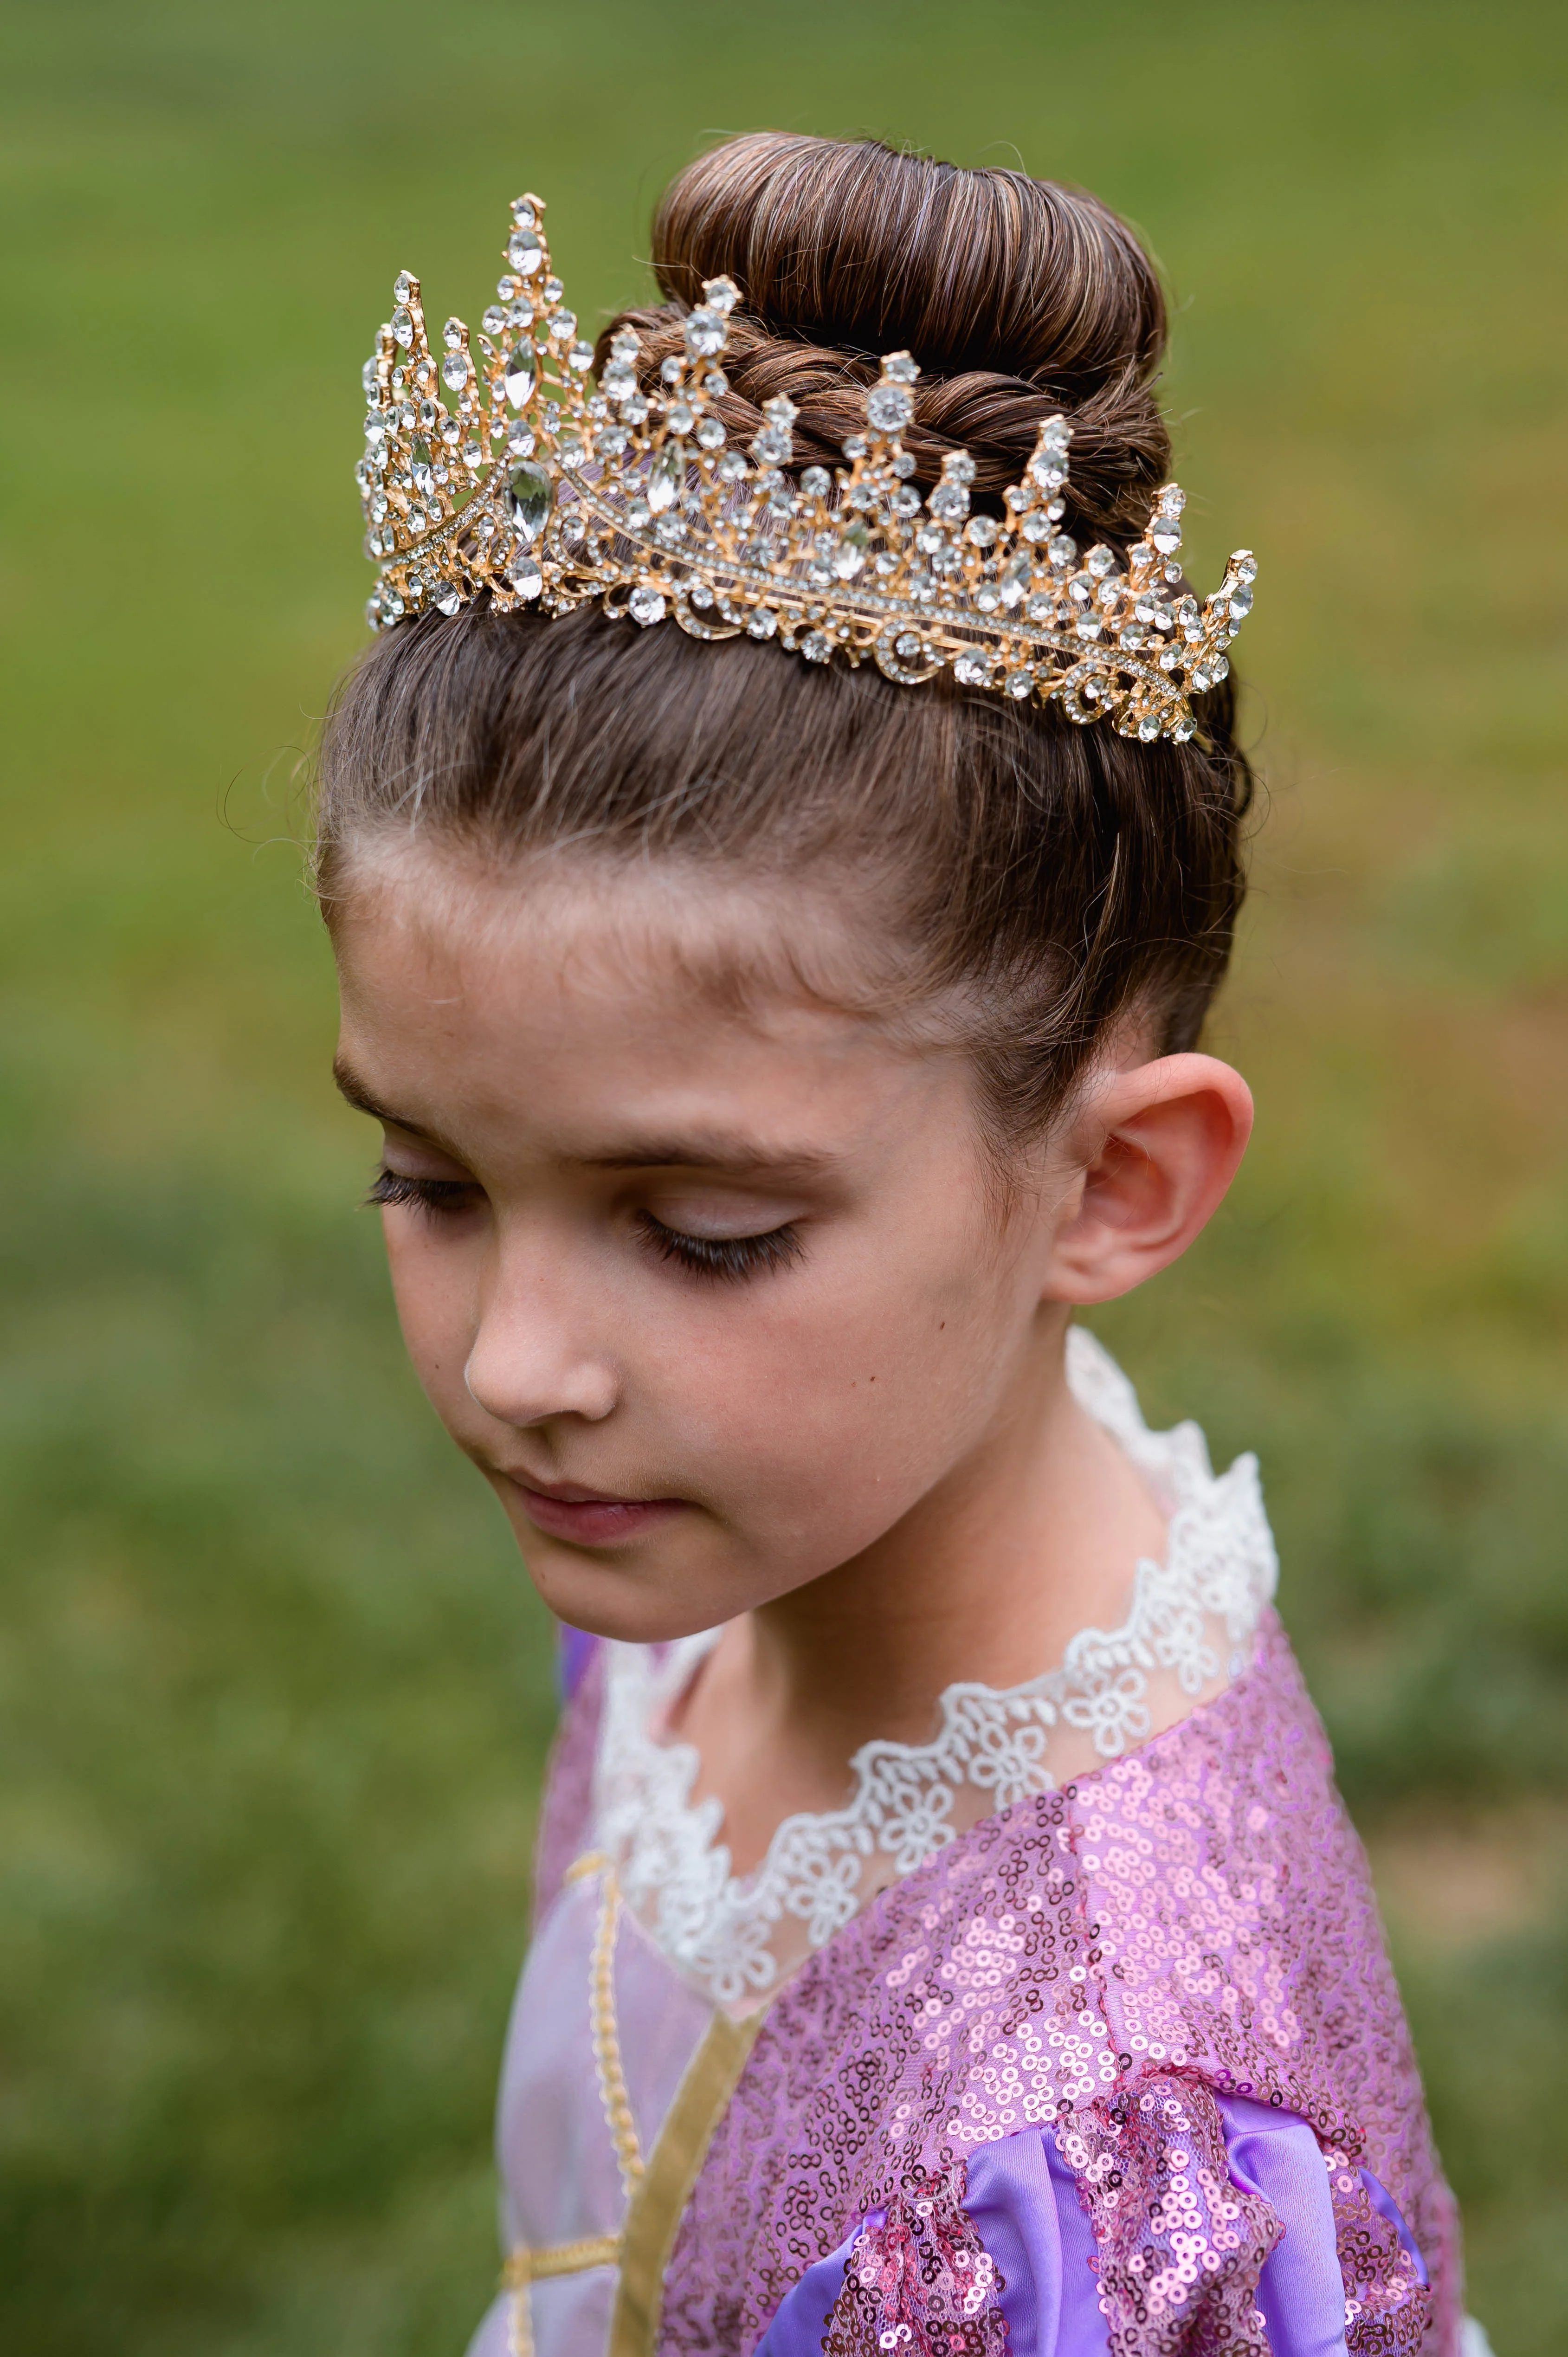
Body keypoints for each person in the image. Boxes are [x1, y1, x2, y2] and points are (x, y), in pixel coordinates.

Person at [318, 133, 1484, 2357]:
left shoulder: (1098, 2158)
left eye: (710, 1232)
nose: (515, 1364)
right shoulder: (740, 1521)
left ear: (1112, 1189)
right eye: (430, 1181)